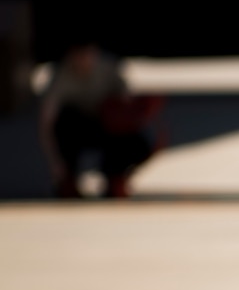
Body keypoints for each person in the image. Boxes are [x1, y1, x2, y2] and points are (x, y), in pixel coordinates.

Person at [39, 43, 159, 198]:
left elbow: (126, 103)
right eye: (79, 55)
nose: (83, 60)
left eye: (88, 53)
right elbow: (47, 122)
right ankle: (69, 180)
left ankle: (114, 176)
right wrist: (56, 163)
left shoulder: (108, 68)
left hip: (107, 125)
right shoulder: (61, 75)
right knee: (65, 126)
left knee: (137, 144)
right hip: (77, 128)